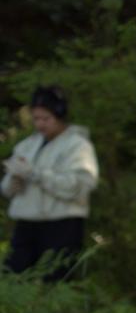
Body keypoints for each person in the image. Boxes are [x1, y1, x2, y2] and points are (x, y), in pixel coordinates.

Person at [4, 85, 99, 283]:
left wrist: (35, 174)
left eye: (46, 118)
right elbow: (6, 189)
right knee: (12, 277)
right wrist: (15, 180)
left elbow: (77, 187)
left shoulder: (78, 146)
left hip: (61, 225)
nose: (40, 124)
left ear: (59, 115)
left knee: (56, 282)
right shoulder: (27, 145)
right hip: (27, 223)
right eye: (36, 118)